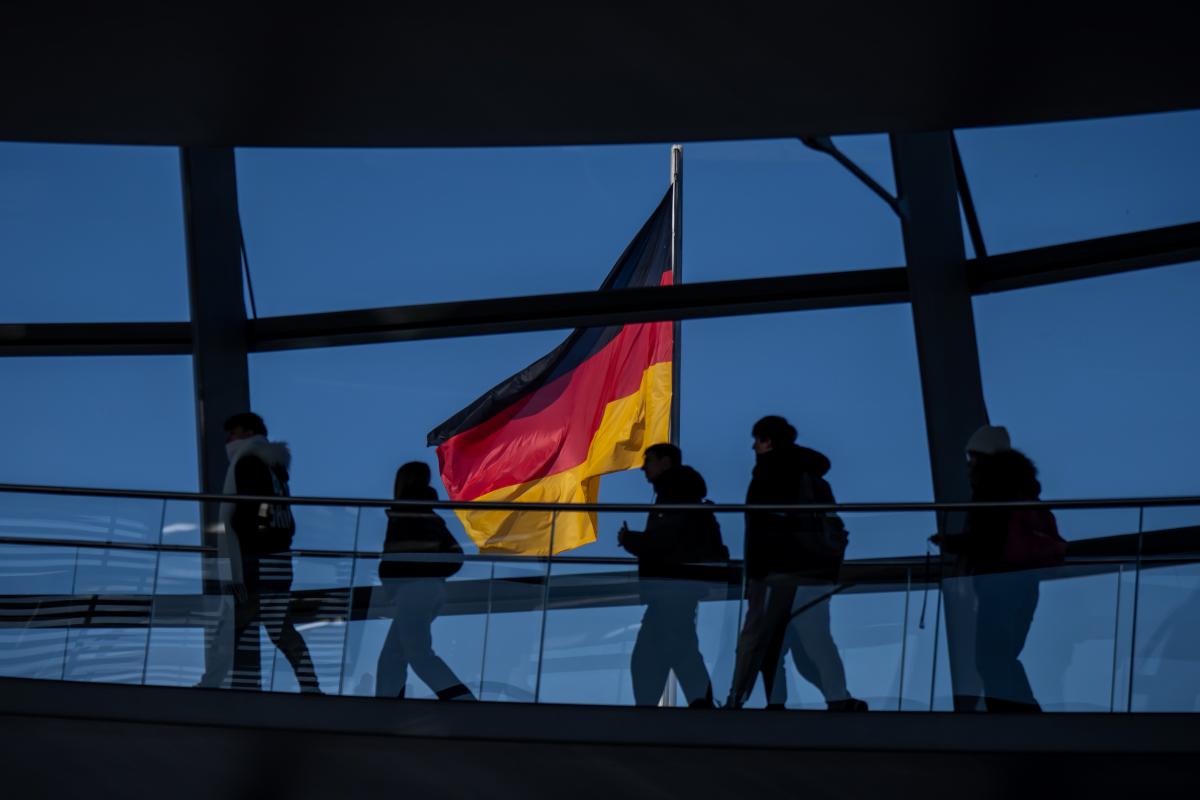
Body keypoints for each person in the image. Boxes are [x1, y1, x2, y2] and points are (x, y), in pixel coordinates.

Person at [727, 416, 867, 711]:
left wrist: (755, 575)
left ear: (768, 441)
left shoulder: (767, 474)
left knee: (764, 640)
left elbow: (760, 532)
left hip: (775, 572)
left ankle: (755, 700)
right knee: (816, 639)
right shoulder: (813, 477)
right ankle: (838, 697)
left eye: (757, 439)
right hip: (815, 572)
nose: (753, 446)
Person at [933, 425, 1064, 712]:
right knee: (1002, 654)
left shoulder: (992, 484)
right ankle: (1017, 713)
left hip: (998, 581)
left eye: (972, 456)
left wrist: (952, 543)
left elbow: (988, 536)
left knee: (990, 657)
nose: (969, 463)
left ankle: (1015, 716)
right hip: (1023, 581)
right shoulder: (1022, 486)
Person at [199, 412, 321, 693]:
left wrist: (233, 571)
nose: (228, 439)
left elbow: (239, 517)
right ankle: (310, 684)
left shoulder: (248, 461)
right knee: (278, 626)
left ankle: (210, 686)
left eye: (233, 432)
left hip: (253, 560)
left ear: (247, 432)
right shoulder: (275, 468)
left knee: (229, 626)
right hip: (279, 560)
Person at [618, 443, 728, 708]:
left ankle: (658, 714)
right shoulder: (678, 492)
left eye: (649, 460)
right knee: (678, 650)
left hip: (672, 589)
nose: (644, 467)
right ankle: (700, 707)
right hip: (677, 589)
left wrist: (630, 539)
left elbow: (664, 542)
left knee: (655, 655)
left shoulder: (674, 493)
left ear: (666, 462)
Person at [375, 462, 474, 701]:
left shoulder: (407, 511)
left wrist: (413, 574)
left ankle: (462, 701)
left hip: (413, 590)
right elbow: (455, 556)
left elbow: (396, 556)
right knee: (393, 656)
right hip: (425, 589)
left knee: (417, 654)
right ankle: (385, 704)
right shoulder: (430, 514)